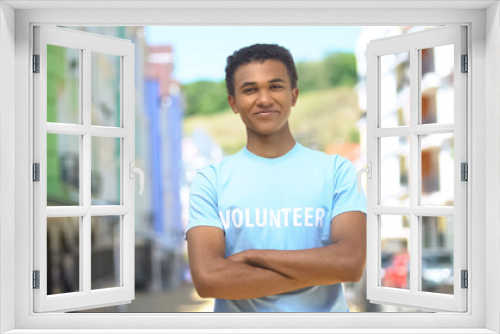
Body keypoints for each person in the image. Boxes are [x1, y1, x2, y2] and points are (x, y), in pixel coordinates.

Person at [185, 43, 366, 312]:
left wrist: (252, 257)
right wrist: (319, 270)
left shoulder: (336, 171)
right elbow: (208, 279)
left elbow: (350, 263)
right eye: (250, 89)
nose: (264, 98)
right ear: (233, 102)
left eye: (275, 86)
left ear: (293, 95)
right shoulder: (210, 181)